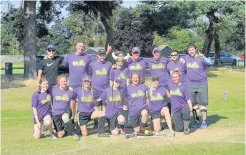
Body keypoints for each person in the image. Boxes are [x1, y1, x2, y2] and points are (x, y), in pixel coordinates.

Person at [183, 43, 212, 128]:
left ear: (195, 49)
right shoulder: (186, 57)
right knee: (193, 105)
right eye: (189, 50)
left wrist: (203, 57)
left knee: (202, 104)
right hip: (190, 84)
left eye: (192, 49)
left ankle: (203, 122)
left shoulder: (200, 57)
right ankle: (196, 121)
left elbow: (210, 62)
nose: (191, 51)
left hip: (202, 84)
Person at [88, 49, 112, 130]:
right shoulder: (92, 64)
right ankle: (96, 123)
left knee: (105, 107)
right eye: (100, 55)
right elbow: (89, 75)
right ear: (97, 56)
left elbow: (111, 76)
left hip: (105, 90)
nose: (102, 56)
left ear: (105, 55)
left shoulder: (109, 64)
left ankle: (105, 123)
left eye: (103, 55)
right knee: (96, 107)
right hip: (95, 90)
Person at [50, 74, 80, 140]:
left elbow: (77, 98)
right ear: (58, 82)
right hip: (56, 114)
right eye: (62, 81)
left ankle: (74, 133)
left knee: (65, 117)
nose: (64, 82)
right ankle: (65, 129)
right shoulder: (53, 90)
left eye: (65, 81)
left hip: (65, 111)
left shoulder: (70, 91)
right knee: (60, 135)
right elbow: (44, 90)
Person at [167, 70, 193, 135]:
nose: (175, 78)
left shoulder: (184, 86)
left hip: (183, 106)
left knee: (185, 111)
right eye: (173, 77)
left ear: (179, 77)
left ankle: (186, 127)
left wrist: (191, 107)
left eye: (176, 77)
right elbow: (166, 89)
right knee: (179, 129)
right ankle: (184, 124)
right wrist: (168, 95)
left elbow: (188, 99)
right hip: (175, 109)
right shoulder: (170, 84)